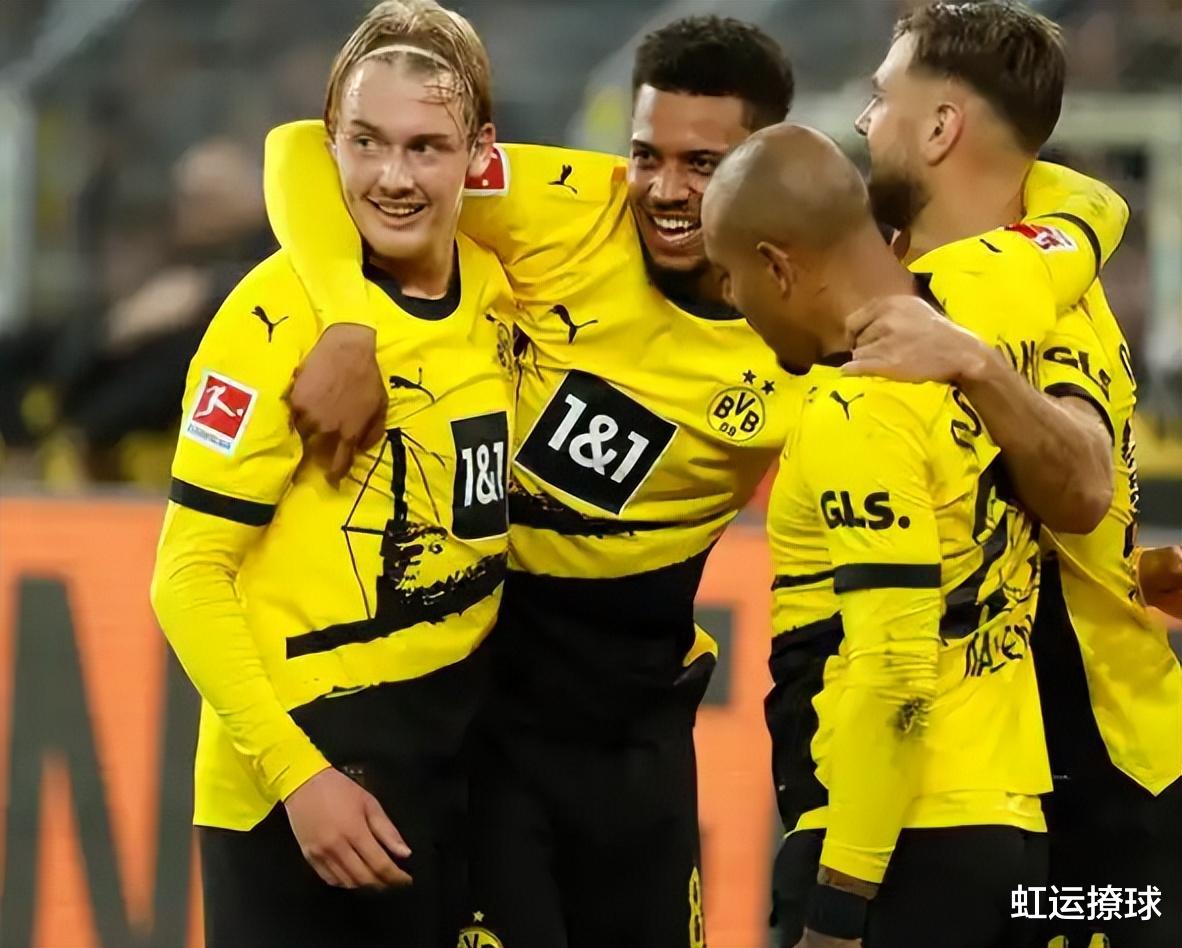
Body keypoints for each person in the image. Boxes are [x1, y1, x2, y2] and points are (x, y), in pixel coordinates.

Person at [149, 3, 516, 946]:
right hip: (296, 799)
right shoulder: (272, 316)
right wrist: (298, 779)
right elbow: (185, 578)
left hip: (450, 775)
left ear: (480, 153)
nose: (393, 177)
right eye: (367, 142)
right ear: (330, 147)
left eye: (427, 147)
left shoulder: (497, 286)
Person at [845, 4, 1182, 944]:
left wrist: (975, 366)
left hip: (1096, 788)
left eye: (882, 98)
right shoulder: (935, 272)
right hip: (961, 776)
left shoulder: (1048, 302)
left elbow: (1082, 484)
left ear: (941, 127)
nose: (864, 121)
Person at [703, 120, 1062, 948]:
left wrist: (837, 910)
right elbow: (1093, 214)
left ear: (778, 266)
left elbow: (895, 674)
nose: (730, 298)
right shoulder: (980, 326)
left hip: (896, 851)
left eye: (729, 274)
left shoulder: (857, 409)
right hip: (1011, 831)